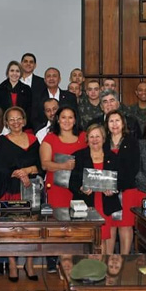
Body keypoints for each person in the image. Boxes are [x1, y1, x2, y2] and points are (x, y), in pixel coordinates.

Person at [0, 106, 41, 282]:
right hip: (9, 191)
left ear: (24, 120)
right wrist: (17, 173)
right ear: (7, 123)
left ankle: (30, 263)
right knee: (11, 230)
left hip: (30, 192)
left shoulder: (34, 140)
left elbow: (41, 166)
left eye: (19, 118)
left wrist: (26, 170)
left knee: (32, 230)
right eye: (11, 119)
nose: (16, 122)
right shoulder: (2, 142)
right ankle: (12, 263)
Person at [39, 106, 86, 272]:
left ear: (75, 119)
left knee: (77, 223)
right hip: (57, 189)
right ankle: (55, 259)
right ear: (57, 120)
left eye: (70, 117)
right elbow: (45, 164)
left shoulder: (83, 137)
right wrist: (64, 166)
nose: (67, 121)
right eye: (63, 117)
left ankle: (75, 258)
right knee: (58, 223)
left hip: (78, 189)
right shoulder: (50, 138)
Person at [69, 124, 121, 254]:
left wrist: (113, 190)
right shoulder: (78, 156)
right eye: (91, 136)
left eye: (97, 136)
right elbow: (72, 183)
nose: (94, 139)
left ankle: (104, 269)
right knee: (90, 241)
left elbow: (120, 181)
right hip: (86, 204)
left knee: (105, 240)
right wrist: (81, 188)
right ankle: (91, 270)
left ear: (103, 138)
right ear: (87, 139)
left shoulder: (113, 157)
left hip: (106, 204)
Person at [104, 110, 140, 255]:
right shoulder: (103, 142)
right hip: (106, 191)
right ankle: (109, 260)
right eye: (111, 121)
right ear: (107, 124)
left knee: (125, 225)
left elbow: (134, 168)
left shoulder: (132, 141)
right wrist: (108, 186)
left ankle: (124, 261)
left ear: (123, 123)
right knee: (110, 225)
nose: (114, 124)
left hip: (127, 190)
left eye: (117, 120)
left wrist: (117, 187)